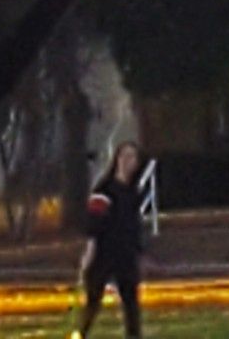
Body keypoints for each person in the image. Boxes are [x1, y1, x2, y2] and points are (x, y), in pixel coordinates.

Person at [73, 140, 145, 338]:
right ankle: (80, 334)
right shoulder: (104, 190)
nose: (128, 162)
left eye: (132, 157)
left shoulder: (133, 192)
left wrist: (138, 250)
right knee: (93, 302)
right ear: (117, 160)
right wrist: (89, 254)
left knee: (131, 304)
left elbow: (134, 226)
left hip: (126, 256)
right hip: (104, 255)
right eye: (124, 156)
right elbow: (94, 226)